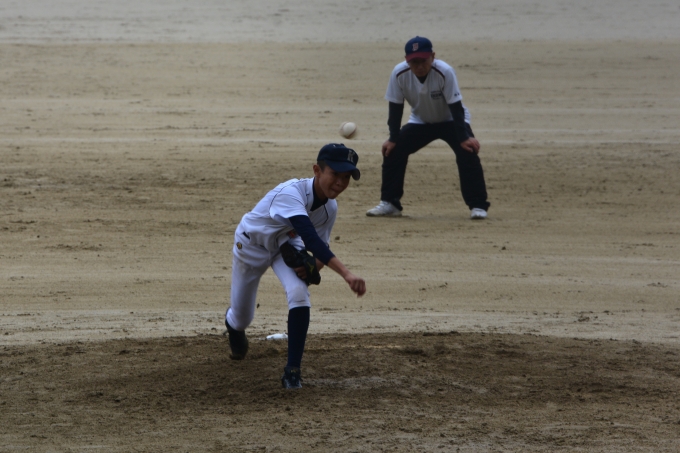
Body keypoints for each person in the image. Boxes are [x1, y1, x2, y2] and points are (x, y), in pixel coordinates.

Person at [225, 143, 367, 389]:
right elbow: (311, 239)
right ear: (317, 170)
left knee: (299, 293)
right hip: (251, 246)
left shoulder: (329, 208)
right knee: (242, 318)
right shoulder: (290, 193)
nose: (340, 183)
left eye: (346, 177)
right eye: (335, 174)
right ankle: (233, 327)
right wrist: (346, 274)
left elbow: (321, 245)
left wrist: (313, 267)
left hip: (286, 245)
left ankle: (292, 372)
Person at [366, 36, 490, 219]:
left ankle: (478, 206)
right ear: (407, 60)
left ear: (432, 56)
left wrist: (464, 137)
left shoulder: (445, 71)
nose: (419, 66)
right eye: (414, 62)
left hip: (451, 120)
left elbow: (456, 107)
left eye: (423, 61)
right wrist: (393, 138)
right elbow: (395, 108)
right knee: (393, 150)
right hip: (421, 121)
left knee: (467, 152)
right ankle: (390, 203)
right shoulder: (399, 73)